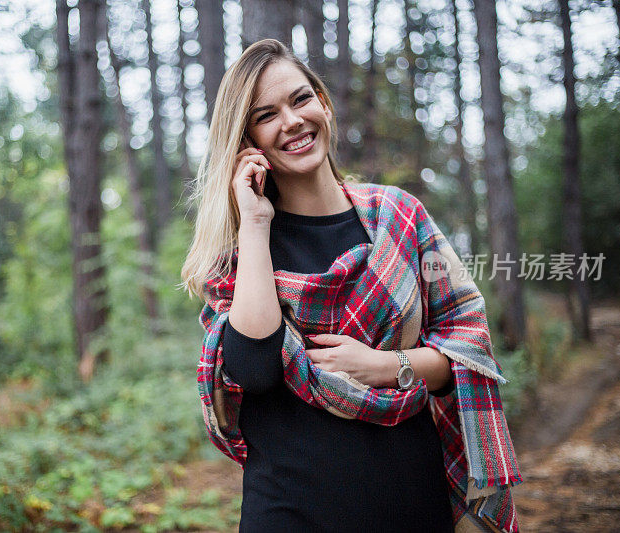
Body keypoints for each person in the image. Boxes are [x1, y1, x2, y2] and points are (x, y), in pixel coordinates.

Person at [180, 39, 521, 532]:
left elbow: (467, 343)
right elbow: (252, 371)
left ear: (322, 102)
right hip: (288, 510)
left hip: (409, 499)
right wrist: (254, 222)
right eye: (266, 115)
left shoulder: (400, 218)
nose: (292, 121)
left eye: (300, 100)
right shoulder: (241, 252)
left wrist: (390, 366)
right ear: (246, 140)